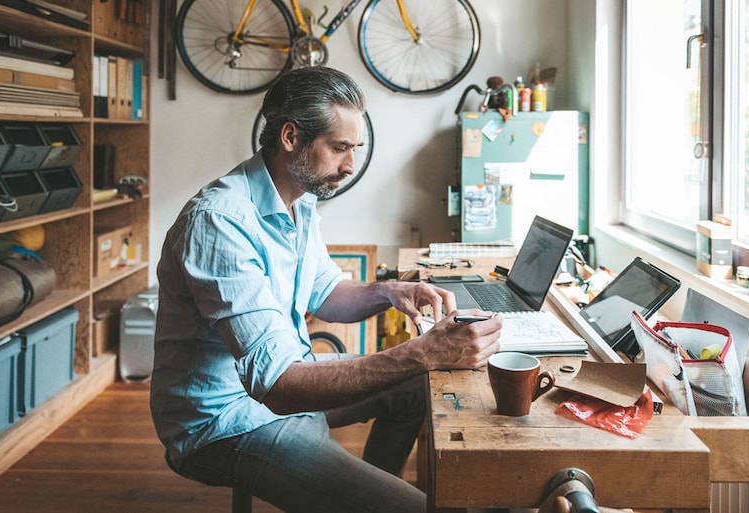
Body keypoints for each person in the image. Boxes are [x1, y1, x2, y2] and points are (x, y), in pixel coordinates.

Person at [150, 66, 503, 513]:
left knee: (420, 387)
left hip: (279, 388)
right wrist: (423, 351)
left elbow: (325, 295)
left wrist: (388, 291)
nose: (351, 166)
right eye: (339, 148)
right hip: (225, 422)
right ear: (291, 137)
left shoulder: (298, 200)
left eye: (354, 149)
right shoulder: (220, 221)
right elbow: (279, 387)